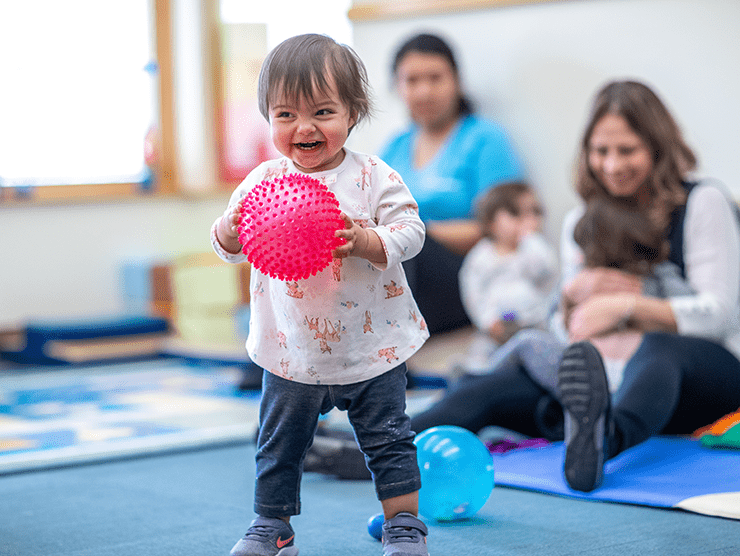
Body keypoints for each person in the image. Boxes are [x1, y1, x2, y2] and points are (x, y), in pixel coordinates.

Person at [305, 80, 740, 497]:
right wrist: (571, 304)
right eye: (600, 151)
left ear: (658, 149)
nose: (612, 165)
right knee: (493, 385)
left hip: (698, 373)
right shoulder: (581, 222)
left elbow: (720, 314)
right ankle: (376, 451)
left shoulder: (702, 202)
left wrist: (627, 305)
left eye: (627, 150)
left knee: (659, 351)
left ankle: (605, 438)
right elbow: (566, 331)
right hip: (606, 377)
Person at [211, 34, 430, 556]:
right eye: (285, 114)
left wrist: (367, 240)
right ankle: (272, 523)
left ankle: (402, 524)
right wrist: (229, 229)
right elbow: (229, 245)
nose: (303, 128)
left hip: (370, 344)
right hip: (292, 349)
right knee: (278, 445)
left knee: (388, 438)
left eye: (322, 112)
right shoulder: (264, 182)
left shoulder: (373, 176)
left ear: (353, 113)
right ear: (268, 118)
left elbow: (413, 230)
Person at [381, 33, 525, 334]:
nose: (424, 91)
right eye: (412, 80)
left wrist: (417, 234)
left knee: (412, 249)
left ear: (456, 81)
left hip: (468, 278)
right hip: (401, 272)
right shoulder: (394, 148)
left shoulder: (485, 139)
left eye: (435, 78)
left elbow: (507, 227)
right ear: (398, 86)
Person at [458, 181, 558, 374]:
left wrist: (530, 238)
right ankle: (473, 374)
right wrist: (486, 320)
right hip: (497, 327)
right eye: (516, 214)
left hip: (534, 323)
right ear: (491, 221)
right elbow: (473, 293)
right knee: (482, 353)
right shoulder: (481, 256)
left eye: (534, 213)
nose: (528, 220)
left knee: (544, 350)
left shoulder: (533, 249)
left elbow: (547, 271)